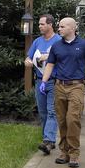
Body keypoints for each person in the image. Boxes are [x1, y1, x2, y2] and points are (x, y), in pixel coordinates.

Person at [39, 17, 85, 168]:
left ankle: (74, 153)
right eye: (59, 26)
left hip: (76, 86)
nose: (59, 29)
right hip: (59, 86)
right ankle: (64, 152)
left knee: (72, 119)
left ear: (72, 28)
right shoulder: (57, 46)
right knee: (61, 120)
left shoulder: (84, 45)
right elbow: (50, 65)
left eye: (62, 26)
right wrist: (44, 81)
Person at [25, 14, 62, 155]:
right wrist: (28, 61)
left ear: (50, 24)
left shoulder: (58, 41)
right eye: (39, 24)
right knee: (43, 113)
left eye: (42, 24)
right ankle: (47, 140)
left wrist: (50, 56)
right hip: (40, 81)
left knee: (52, 111)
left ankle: (48, 141)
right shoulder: (37, 42)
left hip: (54, 81)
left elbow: (64, 58)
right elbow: (29, 57)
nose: (39, 26)